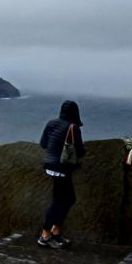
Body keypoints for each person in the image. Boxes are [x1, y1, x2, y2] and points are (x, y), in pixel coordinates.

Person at [37, 100, 86, 249]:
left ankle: (55, 231)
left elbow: (43, 144)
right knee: (64, 200)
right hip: (62, 168)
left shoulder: (51, 123)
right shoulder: (73, 127)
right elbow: (80, 150)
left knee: (64, 199)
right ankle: (46, 234)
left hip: (49, 165)